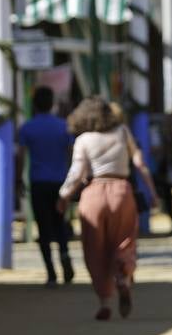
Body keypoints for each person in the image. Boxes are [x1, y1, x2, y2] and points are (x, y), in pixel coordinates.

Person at [57, 98, 157, 321]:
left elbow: (76, 173)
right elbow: (140, 163)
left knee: (95, 249)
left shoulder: (83, 140)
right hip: (122, 191)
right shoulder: (122, 132)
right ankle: (123, 276)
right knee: (125, 243)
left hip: (93, 194)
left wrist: (64, 196)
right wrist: (153, 193)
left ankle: (104, 300)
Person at [17, 86, 75, 286]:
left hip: (38, 182)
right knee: (60, 222)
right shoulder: (63, 126)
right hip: (60, 182)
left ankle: (50, 272)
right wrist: (71, 178)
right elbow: (71, 153)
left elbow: (21, 155)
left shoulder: (27, 127)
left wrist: (18, 180)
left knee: (43, 227)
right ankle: (65, 254)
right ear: (52, 104)